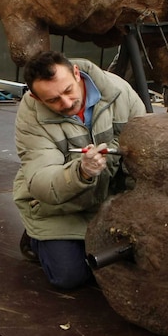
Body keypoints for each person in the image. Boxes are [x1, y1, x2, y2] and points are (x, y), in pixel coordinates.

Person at [13, 50, 147, 289]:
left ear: (77, 73)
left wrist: (137, 207)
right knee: (69, 278)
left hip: (112, 199)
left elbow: (145, 148)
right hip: (60, 208)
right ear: (35, 98)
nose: (66, 103)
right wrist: (81, 173)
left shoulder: (118, 91)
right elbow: (41, 181)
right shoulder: (30, 117)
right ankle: (36, 239)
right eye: (53, 100)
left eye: (68, 91)